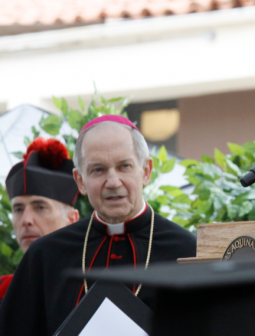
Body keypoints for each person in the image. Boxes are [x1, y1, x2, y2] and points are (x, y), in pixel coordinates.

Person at [0, 115, 197, 336]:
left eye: (124, 166)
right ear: (81, 181)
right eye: (98, 170)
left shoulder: (189, 252)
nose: (113, 182)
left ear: (146, 171)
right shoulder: (44, 255)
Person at [0, 138, 80, 304]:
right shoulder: (3, 291)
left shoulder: (88, 289)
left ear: (71, 220)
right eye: (18, 209)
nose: (26, 220)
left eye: (40, 207)